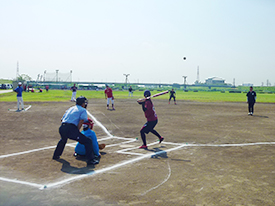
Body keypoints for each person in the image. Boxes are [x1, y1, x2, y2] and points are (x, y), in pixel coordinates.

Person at [52, 96, 99, 166]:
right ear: (82, 103)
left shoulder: (71, 108)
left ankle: (56, 155)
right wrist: (77, 131)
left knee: (63, 140)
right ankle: (91, 160)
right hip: (71, 129)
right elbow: (81, 121)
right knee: (88, 141)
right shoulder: (83, 110)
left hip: (62, 127)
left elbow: (62, 119)